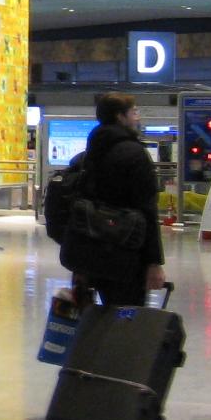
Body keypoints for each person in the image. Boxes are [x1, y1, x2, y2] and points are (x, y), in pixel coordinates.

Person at [67, 92, 165, 308]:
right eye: (134, 112)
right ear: (120, 116)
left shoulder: (91, 151)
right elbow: (147, 208)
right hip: (125, 252)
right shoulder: (135, 153)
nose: (137, 117)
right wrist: (153, 262)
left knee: (93, 318)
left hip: (91, 249)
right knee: (126, 316)